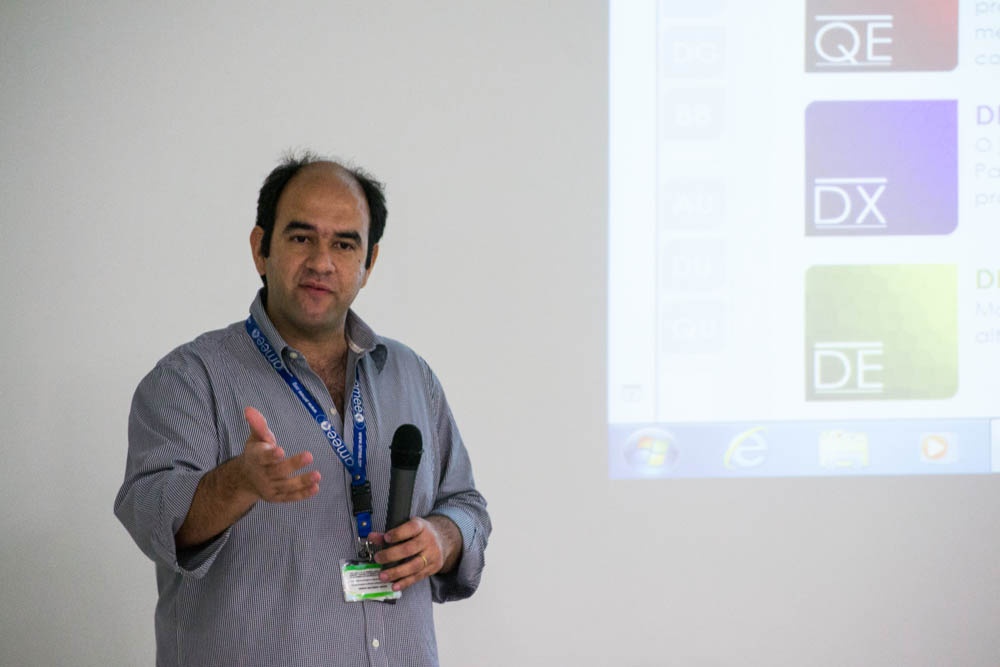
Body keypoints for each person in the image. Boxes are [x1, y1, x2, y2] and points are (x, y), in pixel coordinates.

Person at [114, 154, 491, 667]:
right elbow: (151, 515)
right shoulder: (190, 378)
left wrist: (443, 538)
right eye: (300, 237)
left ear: (369, 263)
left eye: (344, 243)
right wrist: (238, 483)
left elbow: (466, 504)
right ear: (260, 249)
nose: (321, 261)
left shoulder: (411, 375)